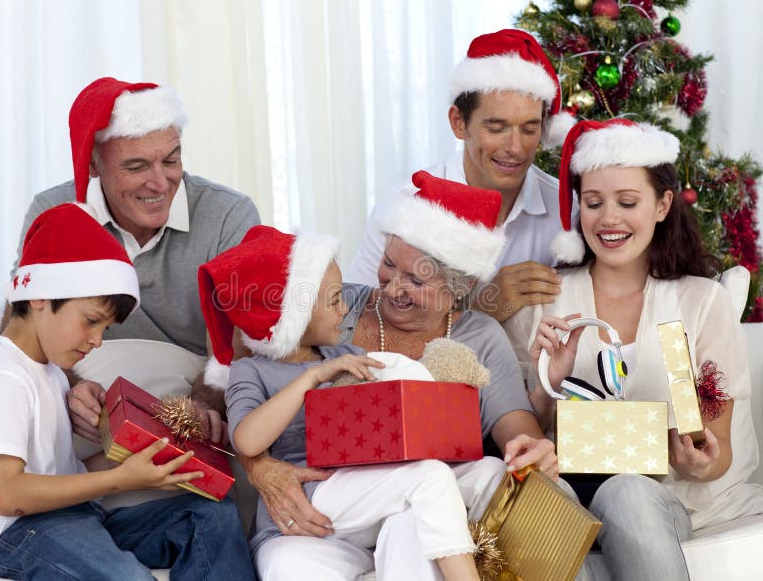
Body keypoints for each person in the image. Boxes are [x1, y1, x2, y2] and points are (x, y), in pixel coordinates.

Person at [216, 172, 559, 579]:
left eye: (416, 279)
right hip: (331, 505)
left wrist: (533, 444)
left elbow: (515, 432)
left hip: (411, 505)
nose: (392, 287)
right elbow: (255, 340)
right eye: (388, 264)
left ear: (460, 286)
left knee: (479, 477)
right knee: (288, 564)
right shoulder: (334, 315)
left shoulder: (478, 335)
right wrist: (259, 467)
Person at [503, 119, 763, 580]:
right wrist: (551, 382)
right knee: (548, 509)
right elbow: (519, 436)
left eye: (627, 202)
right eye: (593, 203)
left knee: (627, 490)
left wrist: (698, 461)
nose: (609, 220)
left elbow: (716, 451)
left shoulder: (700, 301)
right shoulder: (548, 299)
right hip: (570, 494)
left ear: (663, 205)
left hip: (670, 502)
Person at [0, 203, 255, 580]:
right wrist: (123, 479)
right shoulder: (1, 376)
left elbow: (64, 475)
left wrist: (143, 453)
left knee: (209, 516)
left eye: (105, 328)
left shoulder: (48, 367)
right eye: (91, 322)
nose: (97, 341)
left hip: (73, 515)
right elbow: (9, 495)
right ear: (38, 297)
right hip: (11, 533)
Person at [10, 77, 260, 457]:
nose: (159, 183)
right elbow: (19, 327)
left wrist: (207, 402)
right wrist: (69, 387)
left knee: (209, 514)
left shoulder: (228, 214)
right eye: (137, 165)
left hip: (188, 398)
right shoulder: (54, 213)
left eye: (171, 159)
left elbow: (241, 344)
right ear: (94, 163)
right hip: (85, 399)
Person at [347, 29, 577, 323]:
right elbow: (357, 322)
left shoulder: (566, 210)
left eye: (530, 129)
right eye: (496, 128)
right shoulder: (406, 205)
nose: (515, 148)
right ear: (459, 123)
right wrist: (475, 310)